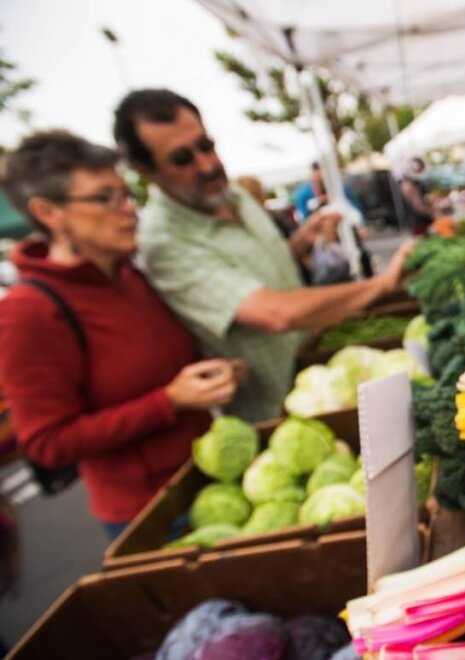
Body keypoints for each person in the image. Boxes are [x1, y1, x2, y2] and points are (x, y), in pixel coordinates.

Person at [113, 89, 413, 423]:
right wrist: (382, 285)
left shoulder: (235, 195)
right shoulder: (163, 241)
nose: (207, 165)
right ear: (146, 170)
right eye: (182, 159)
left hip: (325, 366)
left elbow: (258, 268)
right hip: (282, 413)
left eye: (206, 146)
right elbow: (273, 314)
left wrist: (301, 241)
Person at [0, 131, 241, 536]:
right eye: (104, 198)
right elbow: (47, 442)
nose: (127, 209)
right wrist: (168, 402)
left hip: (213, 480)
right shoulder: (29, 312)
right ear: (49, 213)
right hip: (153, 514)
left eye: (126, 194)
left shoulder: (131, 275)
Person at [398, 157, 435, 236]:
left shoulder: (406, 184)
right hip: (419, 221)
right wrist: (431, 213)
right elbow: (418, 206)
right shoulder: (409, 185)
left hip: (416, 220)